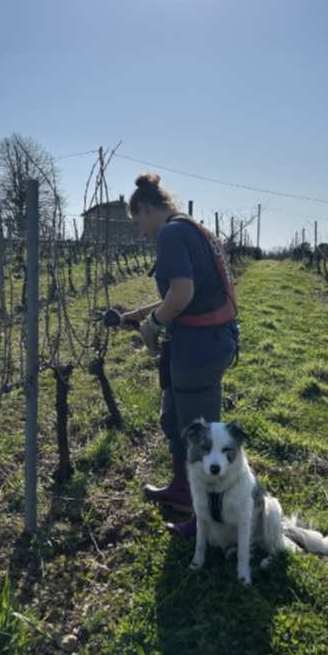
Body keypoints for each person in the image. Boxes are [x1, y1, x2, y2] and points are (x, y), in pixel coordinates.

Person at [119, 172, 239, 536]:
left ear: (143, 208)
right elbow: (180, 293)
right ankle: (182, 490)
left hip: (199, 347)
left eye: (136, 221)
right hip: (204, 341)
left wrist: (154, 326)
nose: (140, 231)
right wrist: (139, 317)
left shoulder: (170, 233)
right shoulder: (190, 227)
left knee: (201, 436)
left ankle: (209, 519)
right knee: (176, 418)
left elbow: (182, 295)